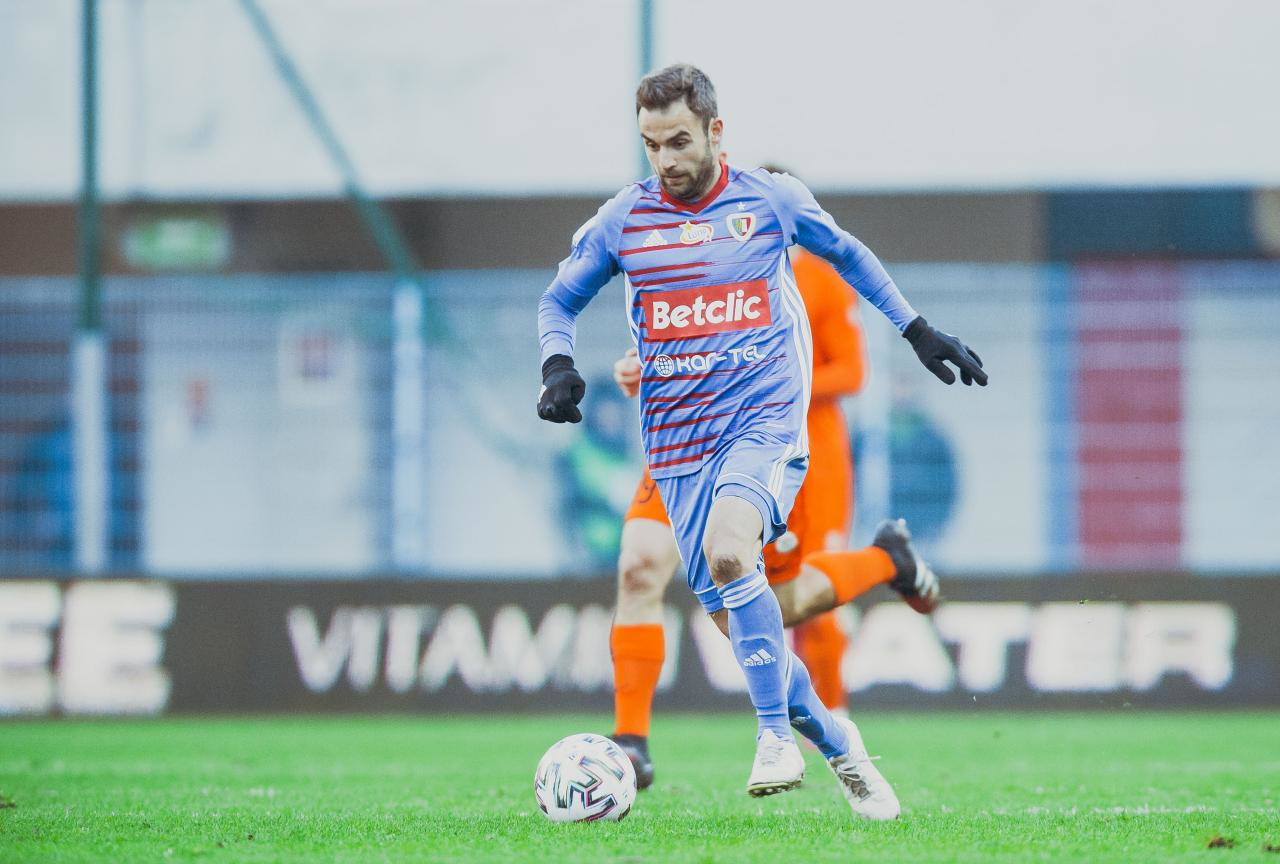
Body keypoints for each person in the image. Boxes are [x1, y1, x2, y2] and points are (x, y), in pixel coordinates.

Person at [536, 64, 986, 821]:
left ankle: (773, 736)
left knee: (728, 555)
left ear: (716, 131)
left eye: (680, 141)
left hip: (765, 428)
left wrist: (917, 330)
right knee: (750, 619)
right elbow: (559, 300)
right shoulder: (625, 220)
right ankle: (839, 744)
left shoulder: (769, 200)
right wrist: (557, 367)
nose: (666, 159)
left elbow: (847, 252)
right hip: (677, 448)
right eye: (652, 145)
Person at [607, 232, 942, 790]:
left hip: (778, 448)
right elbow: (674, 345)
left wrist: (755, 383)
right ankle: (631, 743)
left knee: (784, 604)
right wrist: (642, 366)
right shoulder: (696, 264)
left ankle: (884, 567)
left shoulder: (818, 278)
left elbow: (850, 371)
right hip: (682, 444)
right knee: (638, 566)